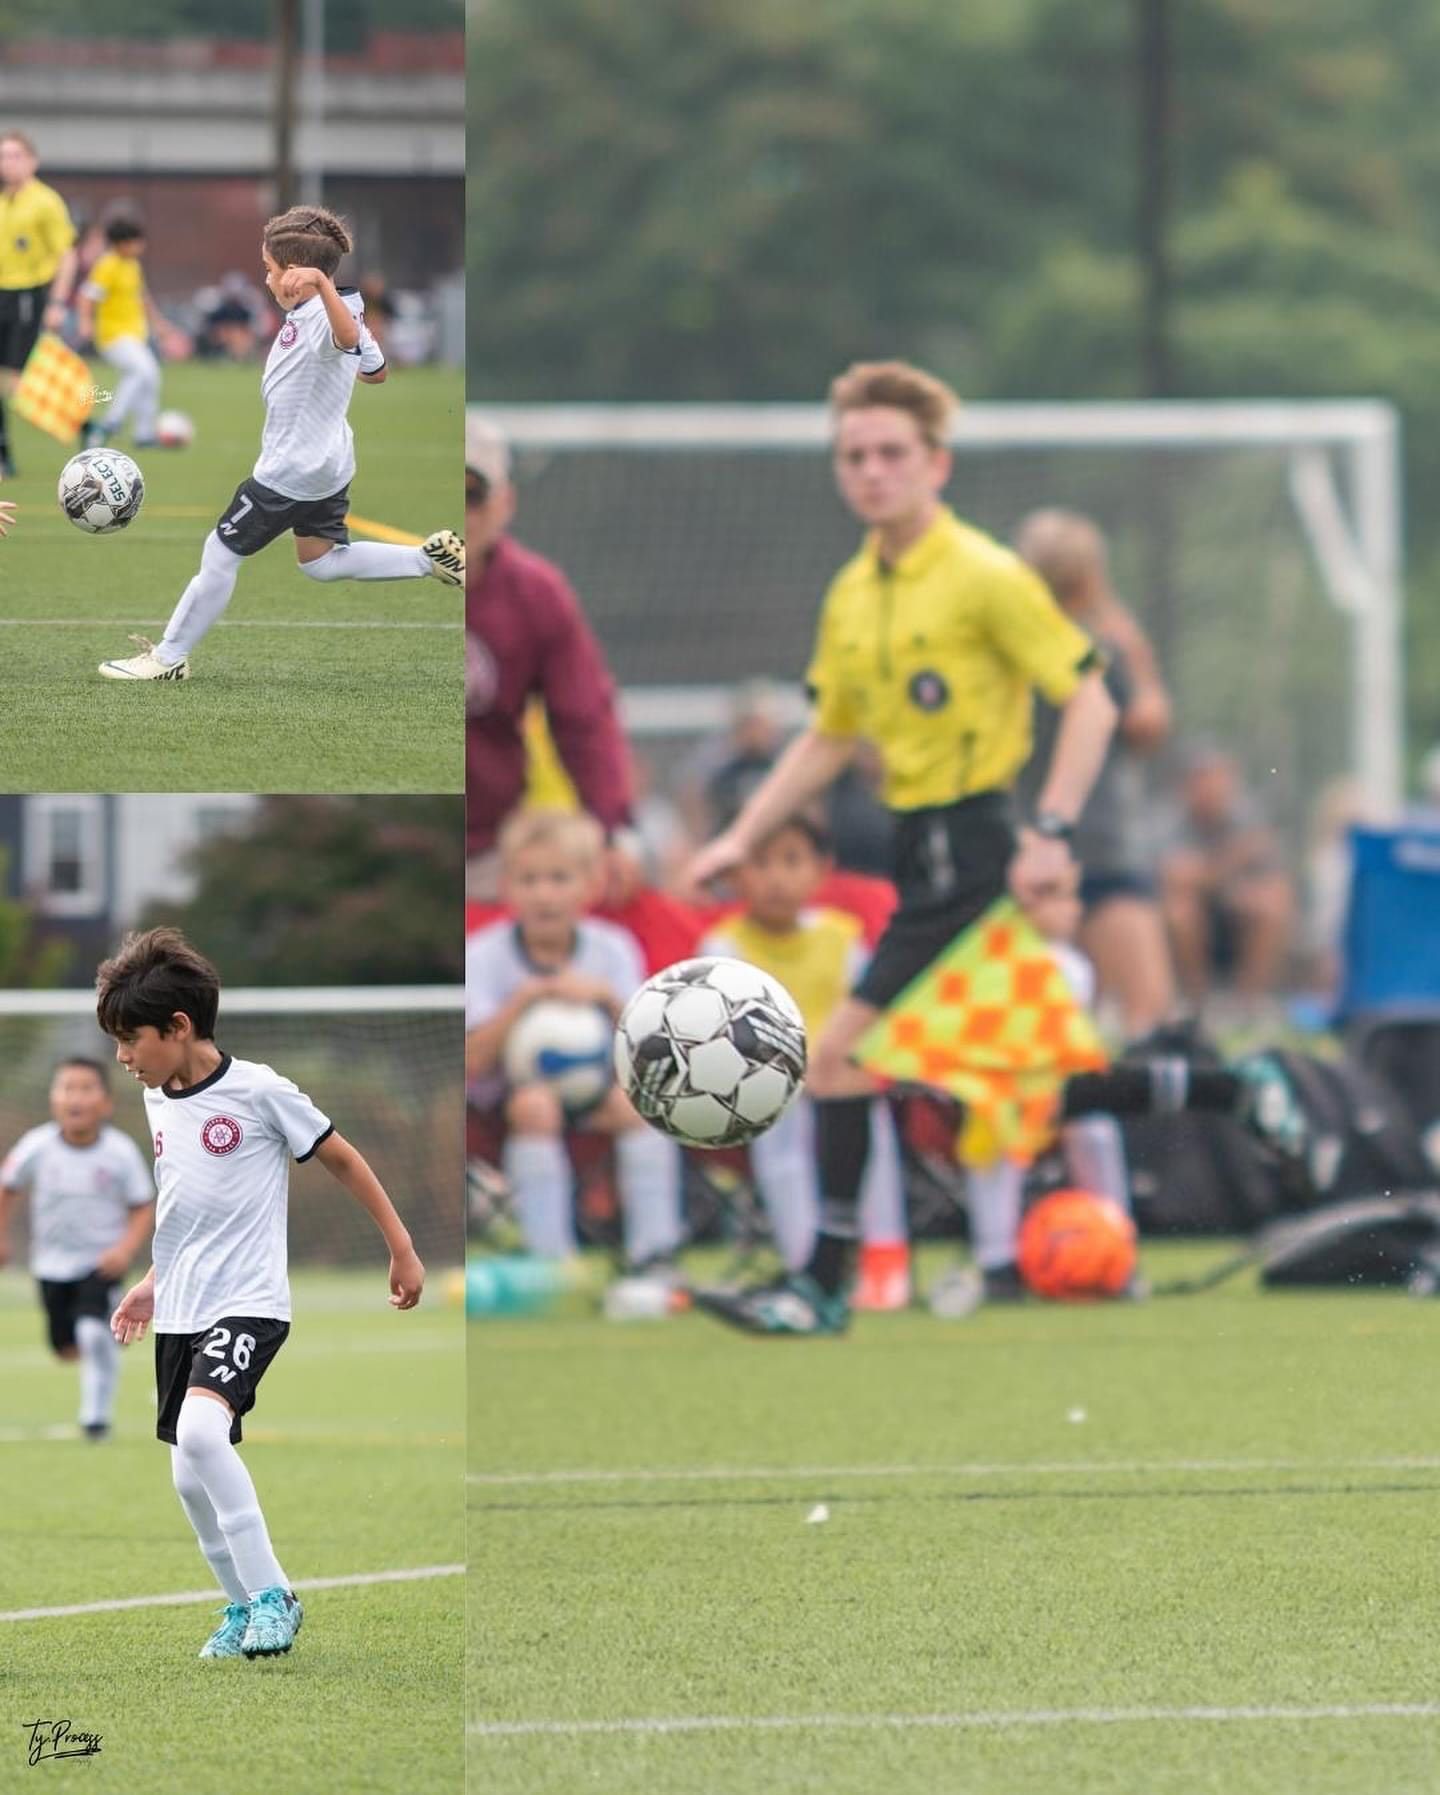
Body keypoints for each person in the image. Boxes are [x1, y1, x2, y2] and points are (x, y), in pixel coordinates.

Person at [684, 359, 1117, 1336]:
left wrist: (1051, 826)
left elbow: (1090, 696)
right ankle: (1233, 1091)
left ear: (937, 464)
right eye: (855, 456)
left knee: (845, 1054)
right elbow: (830, 735)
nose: (871, 471)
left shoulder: (987, 575)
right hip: (917, 851)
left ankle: (823, 1285)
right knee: (1017, 1064)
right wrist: (742, 836)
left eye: (891, 454)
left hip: (978, 843)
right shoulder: (850, 593)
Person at [101, 927, 425, 1660]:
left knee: (204, 1435)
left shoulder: (260, 1091)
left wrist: (402, 1247)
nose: (122, 1056)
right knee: (188, 1475)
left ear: (178, 1028)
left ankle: (275, 1594)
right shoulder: (158, 1097)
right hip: (181, 1307)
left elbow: (342, 1158)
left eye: (130, 1039)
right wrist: (153, 1283)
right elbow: (185, 1205)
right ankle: (241, 1605)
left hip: (247, 1301)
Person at [97, 206, 463, 682]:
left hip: (291, 471)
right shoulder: (333, 307)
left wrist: (322, 287)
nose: (265, 279)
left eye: (269, 269)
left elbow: (346, 339)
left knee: (220, 552)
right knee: (321, 562)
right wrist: (325, 293)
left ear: (297, 275)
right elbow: (376, 371)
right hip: (330, 463)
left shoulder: (323, 317)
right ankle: (425, 558)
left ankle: (167, 658)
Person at [465, 810, 684, 1295]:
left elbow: (647, 1043)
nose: (544, 894)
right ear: (507, 887)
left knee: (638, 1109)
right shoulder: (482, 955)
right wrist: (522, 1002)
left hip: (599, 1086)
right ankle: (552, 1265)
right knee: (535, 1106)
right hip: (511, 1096)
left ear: (589, 886)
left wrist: (606, 999)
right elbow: (473, 1060)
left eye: (559, 879)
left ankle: (656, 1255)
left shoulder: (613, 949)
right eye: (529, 880)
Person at [699, 813, 910, 1308]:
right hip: (762, 1078)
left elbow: (870, 1017)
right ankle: (806, 1260)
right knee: (777, 1113)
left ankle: (884, 1257)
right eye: (761, 863)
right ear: (735, 877)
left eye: (792, 861)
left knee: (868, 1118)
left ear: (821, 871)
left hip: (838, 1071)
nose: (776, 878)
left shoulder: (842, 935)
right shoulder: (723, 945)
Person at [1015, 508, 1176, 1036]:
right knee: (1147, 1013)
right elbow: (1148, 724)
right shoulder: (1098, 648)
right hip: (1102, 847)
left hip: (1023, 846)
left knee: (1048, 1016)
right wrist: (1134, 648)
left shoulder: (1007, 648)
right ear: (1090, 578)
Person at [466, 414, 636, 901]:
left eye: (471, 496)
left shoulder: (537, 595)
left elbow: (584, 721)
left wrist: (611, 830)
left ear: (504, 505)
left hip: (490, 852)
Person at [0, 1058, 155, 1440]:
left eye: (87, 1089)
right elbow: (8, 1187)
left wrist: (124, 1250)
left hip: (101, 1263)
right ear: (54, 1099)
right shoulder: (37, 1145)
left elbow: (142, 1206)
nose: (76, 1097)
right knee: (66, 1347)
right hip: (51, 1266)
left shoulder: (119, 1152)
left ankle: (95, 1418)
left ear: (106, 1102)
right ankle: (100, 1346)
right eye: (67, 1088)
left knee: (91, 1332)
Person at [1160, 743, 1297, 1010]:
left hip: (1235, 919)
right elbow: (1177, 877)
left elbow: (1272, 878)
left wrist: (1219, 880)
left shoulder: (1249, 818)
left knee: (1273, 903)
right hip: (1187, 926)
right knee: (1180, 911)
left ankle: (1248, 1006)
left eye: (1217, 778)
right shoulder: (1168, 821)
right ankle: (1195, 1006)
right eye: (1202, 779)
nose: (1211, 788)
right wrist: (1230, 863)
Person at [0, 130, 79, 478]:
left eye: (15, 155)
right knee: (9, 383)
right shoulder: (3, 200)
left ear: (32, 161)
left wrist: (57, 302)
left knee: (16, 383)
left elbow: (67, 255)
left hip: (28, 296)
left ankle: (84, 416)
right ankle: (4, 454)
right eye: (3, 156)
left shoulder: (46, 201)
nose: (8, 163)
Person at [75, 214, 189, 450]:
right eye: (136, 241)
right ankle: (110, 423)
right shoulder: (107, 266)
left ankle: (144, 434)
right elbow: (86, 296)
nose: (141, 246)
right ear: (122, 242)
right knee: (142, 370)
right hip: (112, 335)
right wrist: (84, 322)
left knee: (150, 376)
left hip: (134, 335)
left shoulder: (132, 265)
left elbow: (142, 298)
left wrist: (159, 325)